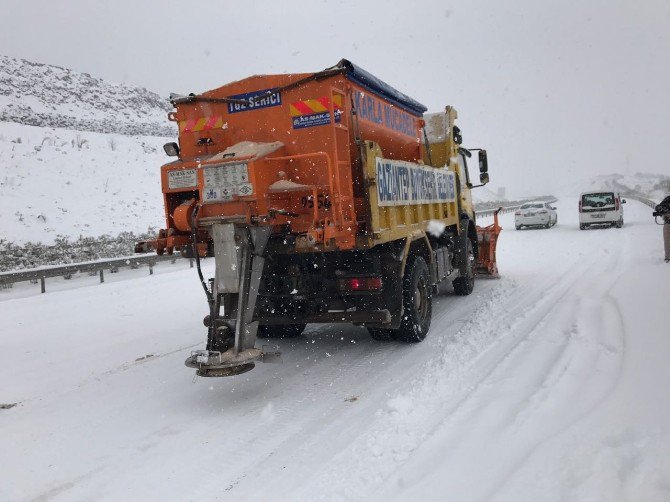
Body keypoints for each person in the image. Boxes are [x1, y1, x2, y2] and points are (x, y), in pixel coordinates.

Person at [654, 195, 670, 262]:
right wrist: (668, 212)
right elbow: (657, 207)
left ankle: (668, 258)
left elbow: (658, 207)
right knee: (667, 241)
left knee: (667, 241)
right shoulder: (668, 199)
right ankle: (668, 258)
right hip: (668, 224)